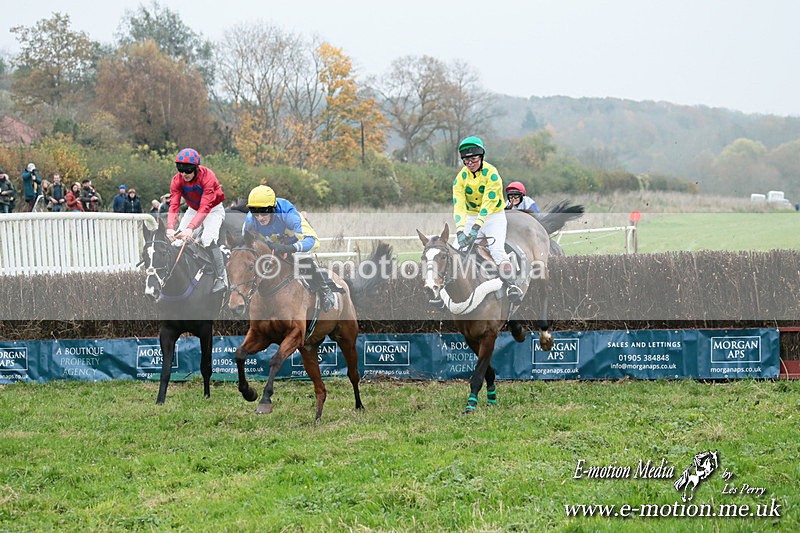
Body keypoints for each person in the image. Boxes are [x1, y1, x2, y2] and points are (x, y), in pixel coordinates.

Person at [243, 184, 342, 311]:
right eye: (255, 213)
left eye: (263, 213)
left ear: (272, 208)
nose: (260, 218)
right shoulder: (250, 220)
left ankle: (325, 289)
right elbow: (245, 245)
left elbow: (313, 241)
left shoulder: (288, 214)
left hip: (293, 239)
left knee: (302, 257)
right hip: (272, 243)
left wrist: (288, 249)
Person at [452, 136, 522, 302]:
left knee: (497, 250)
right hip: (470, 217)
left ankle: (512, 285)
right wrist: (460, 230)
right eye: (466, 161)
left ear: (481, 157)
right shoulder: (460, 178)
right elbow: (459, 205)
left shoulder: (492, 174)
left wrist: (477, 228)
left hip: (493, 217)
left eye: (474, 159)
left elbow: (487, 204)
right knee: (454, 252)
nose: (470, 163)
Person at [166, 148, 227, 293]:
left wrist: (191, 228)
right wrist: (170, 226)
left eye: (187, 169)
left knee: (207, 240)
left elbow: (205, 207)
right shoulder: (177, 180)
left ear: (196, 168)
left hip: (213, 209)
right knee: (178, 241)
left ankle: (221, 278)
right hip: (193, 208)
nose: (184, 174)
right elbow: (174, 204)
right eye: (180, 169)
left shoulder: (208, 177)